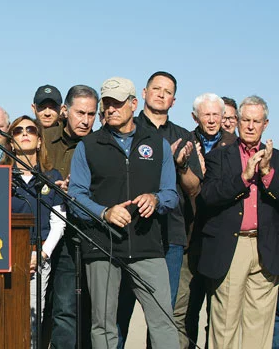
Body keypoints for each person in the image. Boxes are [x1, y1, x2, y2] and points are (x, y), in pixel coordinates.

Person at [68, 77, 179, 349]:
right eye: (107, 103)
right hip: (103, 247)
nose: (110, 109)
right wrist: (104, 213)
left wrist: (155, 199)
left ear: (133, 104)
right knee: (103, 325)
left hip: (147, 246)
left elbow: (171, 194)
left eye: (117, 103)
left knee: (163, 320)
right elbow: (75, 196)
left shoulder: (157, 144)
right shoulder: (89, 146)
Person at [117, 71, 201, 347]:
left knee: (162, 316)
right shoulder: (126, 129)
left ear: (174, 100)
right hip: (129, 231)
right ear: (143, 93)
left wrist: (181, 166)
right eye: (156, 88)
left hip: (170, 235)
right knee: (121, 311)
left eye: (168, 91)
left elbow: (194, 189)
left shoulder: (183, 135)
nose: (161, 94)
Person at [198, 95, 279, 349]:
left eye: (256, 121)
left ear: (266, 124)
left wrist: (267, 174)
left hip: (266, 247)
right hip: (232, 248)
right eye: (246, 120)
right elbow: (207, 197)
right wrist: (243, 178)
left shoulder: (276, 158)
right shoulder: (219, 157)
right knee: (225, 325)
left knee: (260, 326)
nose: (251, 126)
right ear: (236, 122)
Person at [174, 92, 236, 348]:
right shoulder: (184, 143)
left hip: (222, 240)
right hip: (189, 238)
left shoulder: (236, 147)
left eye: (215, 115)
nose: (211, 120)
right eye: (205, 115)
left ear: (223, 117)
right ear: (194, 117)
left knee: (219, 314)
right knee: (182, 310)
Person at [2, 115, 65, 347]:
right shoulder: (0, 177)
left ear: (39, 140)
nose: (24, 133)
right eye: (18, 131)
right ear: (11, 140)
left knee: (31, 323)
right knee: (3, 318)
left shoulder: (51, 177)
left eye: (31, 129)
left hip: (37, 258)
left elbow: (58, 223)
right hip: (4, 258)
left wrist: (41, 254)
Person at [44, 84, 99, 349]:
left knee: (89, 308)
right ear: (65, 111)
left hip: (89, 234)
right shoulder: (44, 137)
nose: (86, 120)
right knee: (60, 306)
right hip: (52, 235)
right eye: (80, 113)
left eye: (91, 114)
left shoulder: (100, 144)